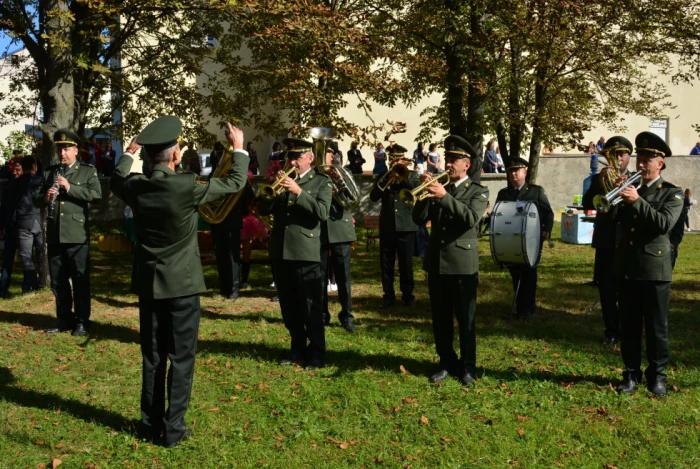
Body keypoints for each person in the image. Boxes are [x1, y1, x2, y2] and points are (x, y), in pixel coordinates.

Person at [111, 117, 249, 447]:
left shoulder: (135, 186)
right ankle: (173, 429)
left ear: (147, 156)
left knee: (153, 356)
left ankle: (149, 423)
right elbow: (234, 183)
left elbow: (116, 179)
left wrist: (128, 153)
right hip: (184, 285)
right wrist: (239, 148)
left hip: (150, 284)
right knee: (182, 358)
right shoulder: (186, 186)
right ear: (175, 156)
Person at [413, 135, 488, 385]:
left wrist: (444, 197)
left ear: (467, 164)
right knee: (441, 318)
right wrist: (424, 192)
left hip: (462, 264)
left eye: (455, 159)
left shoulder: (478, 191)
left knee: (465, 319)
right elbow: (417, 218)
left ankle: (468, 367)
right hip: (437, 263)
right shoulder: (438, 186)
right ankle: (446, 361)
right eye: (448, 158)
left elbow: (469, 219)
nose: (449, 163)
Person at [614, 131, 682, 398]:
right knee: (629, 325)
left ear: (660, 164)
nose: (640, 164)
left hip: (655, 269)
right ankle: (630, 374)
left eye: (646, 160)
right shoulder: (630, 189)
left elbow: (664, 224)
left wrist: (637, 201)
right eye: (639, 159)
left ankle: (657, 376)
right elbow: (611, 220)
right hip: (628, 267)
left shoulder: (672, 193)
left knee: (656, 327)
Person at [258, 138, 332, 370]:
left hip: (305, 252)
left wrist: (299, 192)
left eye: (297, 157)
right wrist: (270, 190)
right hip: (281, 250)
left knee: (311, 305)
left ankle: (317, 351)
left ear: (309, 158)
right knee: (289, 306)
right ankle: (297, 348)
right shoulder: (281, 181)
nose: (292, 161)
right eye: (290, 157)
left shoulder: (321, 182)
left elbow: (321, 212)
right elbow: (262, 209)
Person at [35, 129, 102, 336]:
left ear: (75, 150)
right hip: (55, 234)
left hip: (76, 234)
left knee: (80, 280)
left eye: (66, 149)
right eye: (60, 149)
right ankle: (64, 319)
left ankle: (82, 321)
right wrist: (45, 197)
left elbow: (96, 195)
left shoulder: (87, 171)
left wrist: (70, 187)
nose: (62, 154)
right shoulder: (50, 172)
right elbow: (36, 199)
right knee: (59, 280)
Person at [582, 136, 633, 346]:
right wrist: (601, 187)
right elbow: (587, 203)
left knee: (628, 290)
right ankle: (611, 331)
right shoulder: (598, 180)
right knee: (607, 290)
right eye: (613, 155)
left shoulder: (636, 180)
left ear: (629, 156)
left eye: (622, 154)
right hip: (605, 241)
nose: (618, 159)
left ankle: (629, 329)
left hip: (628, 242)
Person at [496, 157, 554, 320]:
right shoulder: (504, 193)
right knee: (515, 271)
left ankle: (527, 308)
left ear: (525, 172)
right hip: (511, 239)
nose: (514, 174)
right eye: (511, 171)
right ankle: (520, 303)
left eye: (517, 171)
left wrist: (547, 230)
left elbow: (548, 213)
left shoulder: (535, 191)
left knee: (529, 272)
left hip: (532, 237)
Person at [369, 145, 420, 308]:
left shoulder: (411, 176)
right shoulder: (383, 177)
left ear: (404, 160)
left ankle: (408, 295)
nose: (397, 162)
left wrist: (402, 177)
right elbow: (373, 197)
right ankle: (388, 295)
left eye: (400, 159)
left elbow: (416, 190)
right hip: (388, 226)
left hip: (406, 226)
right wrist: (386, 180)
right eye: (394, 159)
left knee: (406, 264)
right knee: (386, 264)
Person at [320, 147, 357, 333]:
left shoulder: (344, 173)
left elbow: (352, 200)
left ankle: (347, 315)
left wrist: (337, 180)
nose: (326, 156)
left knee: (343, 276)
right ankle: (322, 314)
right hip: (318, 229)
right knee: (319, 276)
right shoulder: (313, 176)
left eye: (327, 153)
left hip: (340, 229)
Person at [210, 177, 255, 300]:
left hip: (232, 220)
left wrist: (243, 184)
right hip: (217, 220)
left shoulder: (239, 178)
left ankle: (234, 289)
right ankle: (224, 288)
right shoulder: (215, 175)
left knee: (232, 255)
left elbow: (250, 197)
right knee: (220, 254)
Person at [7, 156, 44, 292]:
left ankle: (33, 283)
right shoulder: (40, 181)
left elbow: (10, 205)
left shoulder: (15, 183)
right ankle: (40, 283)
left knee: (26, 256)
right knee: (40, 255)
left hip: (23, 222)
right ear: (34, 166)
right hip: (39, 220)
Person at [0, 159, 23, 297]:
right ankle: (3, 287)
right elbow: (3, 209)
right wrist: (1, 227)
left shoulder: (28, 185)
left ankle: (28, 286)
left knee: (26, 258)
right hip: (10, 226)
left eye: (18, 169)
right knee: (7, 258)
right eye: (13, 169)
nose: (14, 172)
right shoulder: (8, 187)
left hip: (25, 226)